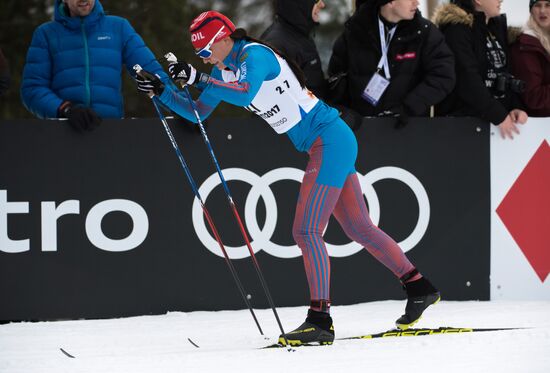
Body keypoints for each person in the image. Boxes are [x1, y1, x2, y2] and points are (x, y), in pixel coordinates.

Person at [134, 10, 440, 346]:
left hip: (329, 139)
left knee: (306, 231)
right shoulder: (222, 71)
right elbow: (198, 112)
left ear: (223, 39)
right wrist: (162, 91)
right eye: (200, 56)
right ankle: (419, 286)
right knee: (358, 227)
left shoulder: (256, 55)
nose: (205, 59)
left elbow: (244, 93)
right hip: (324, 143)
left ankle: (320, 320)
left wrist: (198, 77)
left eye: (206, 52)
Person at [20, 0, 169, 131]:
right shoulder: (46, 34)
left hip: (111, 132)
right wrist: (65, 109)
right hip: (63, 134)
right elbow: (32, 89)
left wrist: (182, 109)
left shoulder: (118, 28)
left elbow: (152, 74)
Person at [327, 0, 455, 128]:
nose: (416, 3)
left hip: (410, 129)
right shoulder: (355, 32)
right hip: (364, 131)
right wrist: (348, 116)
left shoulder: (424, 32)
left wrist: (408, 108)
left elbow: (443, 75)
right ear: (390, 2)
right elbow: (336, 81)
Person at [433, 0, 529, 139]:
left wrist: (515, 106)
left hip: (497, 126)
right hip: (463, 128)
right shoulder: (456, 29)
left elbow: (503, 73)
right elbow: (466, 79)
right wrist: (498, 114)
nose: (501, 0)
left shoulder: (494, 26)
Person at [260, 0, 329, 100]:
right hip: (307, 114)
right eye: (316, 1)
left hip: (318, 111)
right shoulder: (277, 44)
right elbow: (277, 103)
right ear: (300, 4)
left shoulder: (299, 34)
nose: (322, 4)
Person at [510, 0, 550, 117]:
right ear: (531, 10)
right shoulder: (526, 44)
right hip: (537, 127)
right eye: (537, 5)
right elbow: (533, 97)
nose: (542, 11)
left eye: (548, 5)